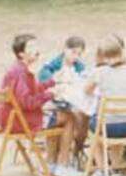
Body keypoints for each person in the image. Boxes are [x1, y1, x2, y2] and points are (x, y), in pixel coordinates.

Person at [0, 34, 81, 176]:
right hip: (21, 121)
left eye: (36, 46)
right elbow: (28, 102)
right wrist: (50, 95)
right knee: (69, 118)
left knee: (56, 116)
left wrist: (51, 83)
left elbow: (33, 90)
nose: (37, 50)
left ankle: (51, 163)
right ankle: (62, 165)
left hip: (11, 117)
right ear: (21, 54)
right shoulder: (20, 73)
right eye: (32, 47)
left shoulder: (19, 69)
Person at [84, 35, 126, 176]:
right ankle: (116, 169)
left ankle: (102, 170)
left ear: (103, 56)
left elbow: (86, 90)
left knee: (95, 129)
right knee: (118, 117)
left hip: (111, 126)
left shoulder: (100, 72)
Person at [38, 36, 90, 164]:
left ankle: (77, 150)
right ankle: (60, 157)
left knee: (84, 116)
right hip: (53, 104)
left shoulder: (80, 67)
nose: (75, 56)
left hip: (72, 101)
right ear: (65, 49)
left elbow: (84, 82)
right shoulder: (52, 66)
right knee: (72, 117)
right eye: (73, 52)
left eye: (79, 53)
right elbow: (45, 83)